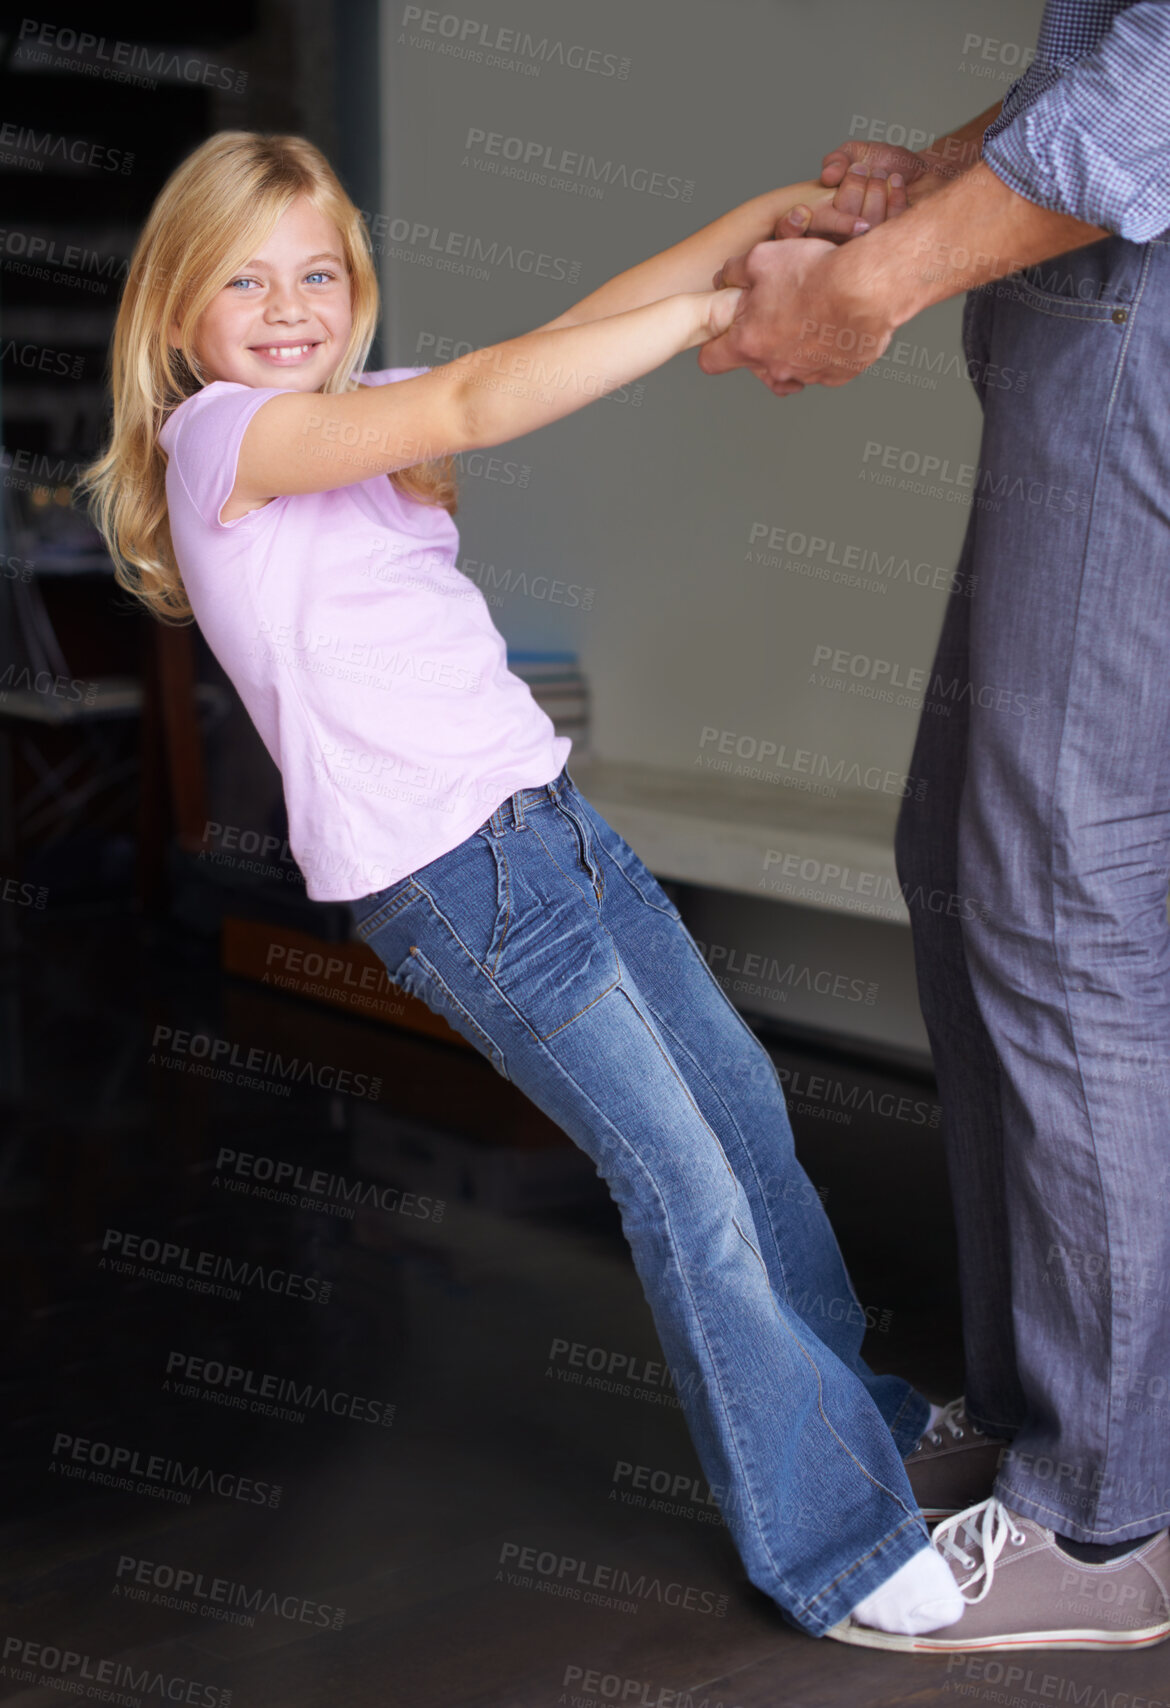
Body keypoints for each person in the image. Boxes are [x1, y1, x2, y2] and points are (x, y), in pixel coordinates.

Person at [78, 130, 971, 1644]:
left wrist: (760, 218)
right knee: (681, 1185)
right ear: (177, 313)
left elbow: (535, 349)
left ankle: (864, 1426)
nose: (288, 304)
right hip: (457, 884)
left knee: (741, 1117)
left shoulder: (346, 411)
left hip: (551, 828)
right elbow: (487, 396)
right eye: (245, 278)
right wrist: (724, 314)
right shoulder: (224, 440)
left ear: (353, 289)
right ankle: (834, 1545)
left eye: (317, 271)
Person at [699, 0, 1170, 1656]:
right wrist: (939, 172)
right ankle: (1064, 1413)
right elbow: (1115, 46)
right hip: (1093, 321)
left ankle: (1107, 1518)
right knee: (970, 882)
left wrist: (873, 283)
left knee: (1056, 905)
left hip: (1141, 329)